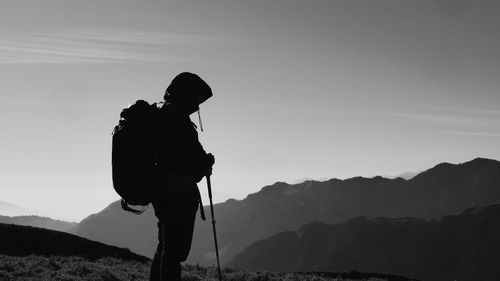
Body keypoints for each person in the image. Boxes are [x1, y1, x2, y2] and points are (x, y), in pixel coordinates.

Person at [150, 72, 215, 281]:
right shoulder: (177, 119)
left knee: (166, 247)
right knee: (173, 253)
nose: (197, 105)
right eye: (195, 98)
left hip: (162, 192)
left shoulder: (164, 115)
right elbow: (189, 158)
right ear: (186, 95)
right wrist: (206, 163)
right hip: (177, 193)